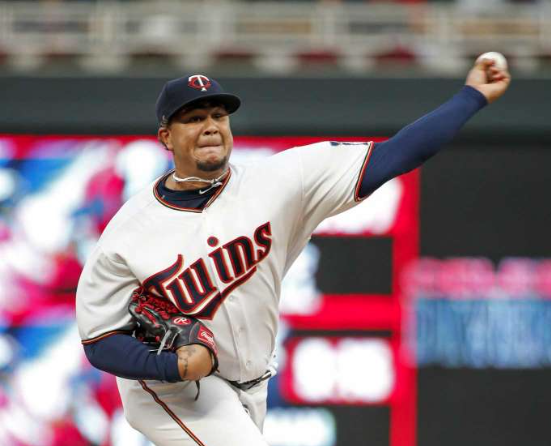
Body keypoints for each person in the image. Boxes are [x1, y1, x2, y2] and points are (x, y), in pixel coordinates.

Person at [76, 59, 510, 445]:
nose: (210, 126)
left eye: (218, 115)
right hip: (168, 388)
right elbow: (99, 341)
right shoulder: (128, 234)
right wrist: (171, 367)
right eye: (193, 118)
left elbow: (395, 155)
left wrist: (471, 96)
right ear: (166, 137)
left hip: (250, 382)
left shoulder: (279, 182)